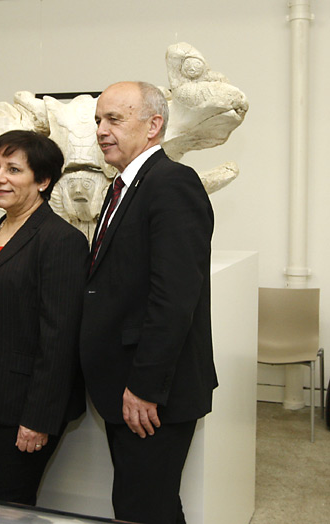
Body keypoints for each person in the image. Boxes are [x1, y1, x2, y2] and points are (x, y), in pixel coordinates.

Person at [82, 81, 217, 524]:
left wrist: (145, 386)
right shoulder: (123, 185)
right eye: (99, 120)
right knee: (143, 506)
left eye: (114, 119)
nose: (101, 130)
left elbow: (175, 297)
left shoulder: (172, 183)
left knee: (145, 509)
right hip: (127, 386)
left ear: (153, 125)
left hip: (152, 391)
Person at [0, 130, 87, 505]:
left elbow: (59, 337)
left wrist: (39, 418)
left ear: (43, 181)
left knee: (8, 507)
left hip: (20, 406)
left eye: (13, 169)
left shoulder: (60, 240)